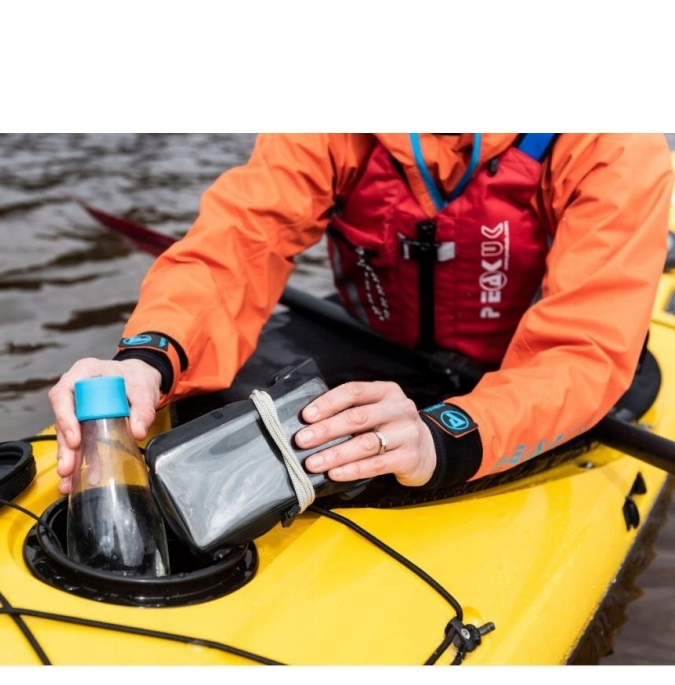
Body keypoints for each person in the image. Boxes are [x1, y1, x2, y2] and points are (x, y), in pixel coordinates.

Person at [49, 133, 673, 496]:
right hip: (380, 348)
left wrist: (443, 438)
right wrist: (148, 358)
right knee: (204, 405)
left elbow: (582, 349)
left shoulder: (613, 144)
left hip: (533, 374)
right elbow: (237, 246)